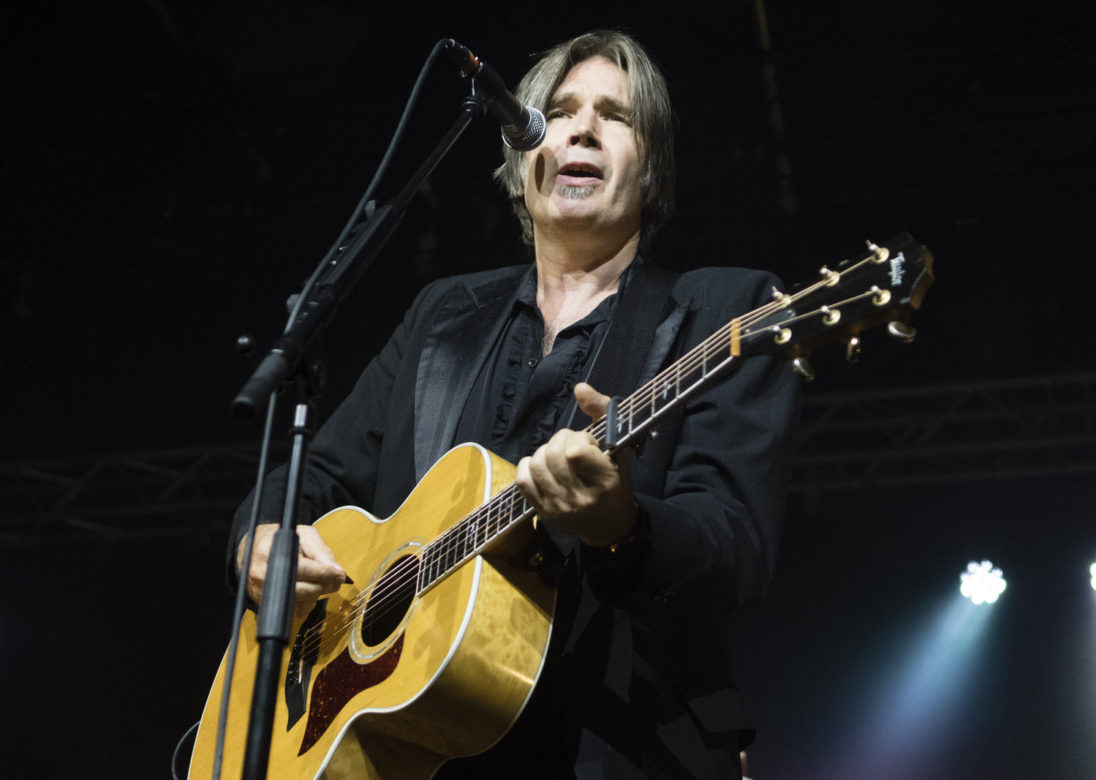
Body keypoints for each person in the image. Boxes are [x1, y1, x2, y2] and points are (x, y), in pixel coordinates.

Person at [230, 29, 799, 778]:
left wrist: (621, 527)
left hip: (616, 744)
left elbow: (734, 547)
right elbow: (317, 472)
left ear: (651, 169)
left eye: (616, 116)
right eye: (560, 111)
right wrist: (258, 538)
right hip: (417, 744)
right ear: (520, 150)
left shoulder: (723, 311)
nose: (583, 128)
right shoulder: (441, 315)